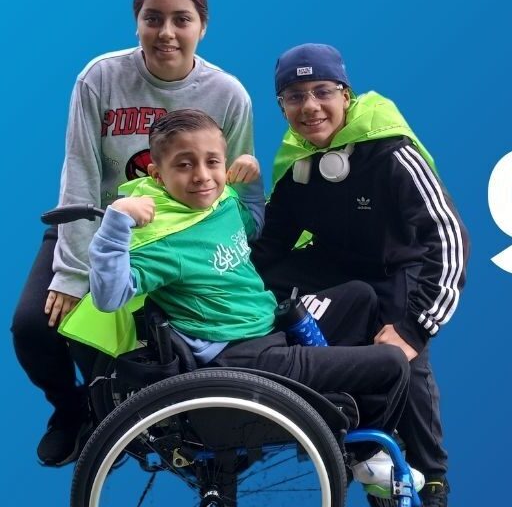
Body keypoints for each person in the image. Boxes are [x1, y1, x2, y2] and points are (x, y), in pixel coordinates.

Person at [86, 109, 413, 484]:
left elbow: (252, 226)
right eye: (184, 165)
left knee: (360, 296)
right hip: (244, 356)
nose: (202, 176)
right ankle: (363, 458)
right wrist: (116, 222)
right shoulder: (162, 237)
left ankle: (338, 409)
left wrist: (248, 184)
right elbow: (109, 297)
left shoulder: (218, 202)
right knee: (392, 363)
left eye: (213, 162)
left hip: (267, 324)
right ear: (158, 175)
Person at [11, 0, 254, 467]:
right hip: (95, 225)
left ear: (202, 26)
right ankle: (71, 410)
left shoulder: (228, 95)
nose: (166, 32)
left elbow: (235, 190)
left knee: (131, 340)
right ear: (137, 22)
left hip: (177, 236)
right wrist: (72, 272)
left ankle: (124, 422)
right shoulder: (100, 77)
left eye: (181, 19)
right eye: (153, 18)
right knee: (35, 327)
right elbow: (79, 170)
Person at [250, 43, 469, 507]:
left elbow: (450, 239)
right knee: (271, 293)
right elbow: (274, 244)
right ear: (282, 105)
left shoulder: (391, 152)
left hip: (400, 267)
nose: (310, 107)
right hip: (336, 266)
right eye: (294, 96)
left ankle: (432, 487)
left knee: (402, 359)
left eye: (322, 92)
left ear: (345, 95)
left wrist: (414, 329)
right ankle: (366, 460)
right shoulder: (298, 162)